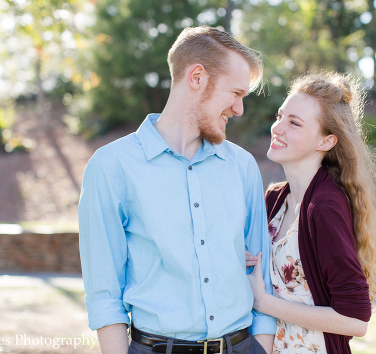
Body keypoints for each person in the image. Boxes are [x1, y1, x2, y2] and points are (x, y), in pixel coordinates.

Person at [78, 26, 276, 354]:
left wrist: (262, 347)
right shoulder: (112, 166)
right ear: (196, 77)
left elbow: (261, 270)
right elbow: (104, 295)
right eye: (236, 94)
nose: (239, 109)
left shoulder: (242, 166)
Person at [243, 72, 376, 354]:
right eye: (280, 116)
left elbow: (355, 320)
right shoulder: (273, 199)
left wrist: (266, 303)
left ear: (326, 142)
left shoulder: (324, 207)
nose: (277, 128)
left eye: (294, 123)